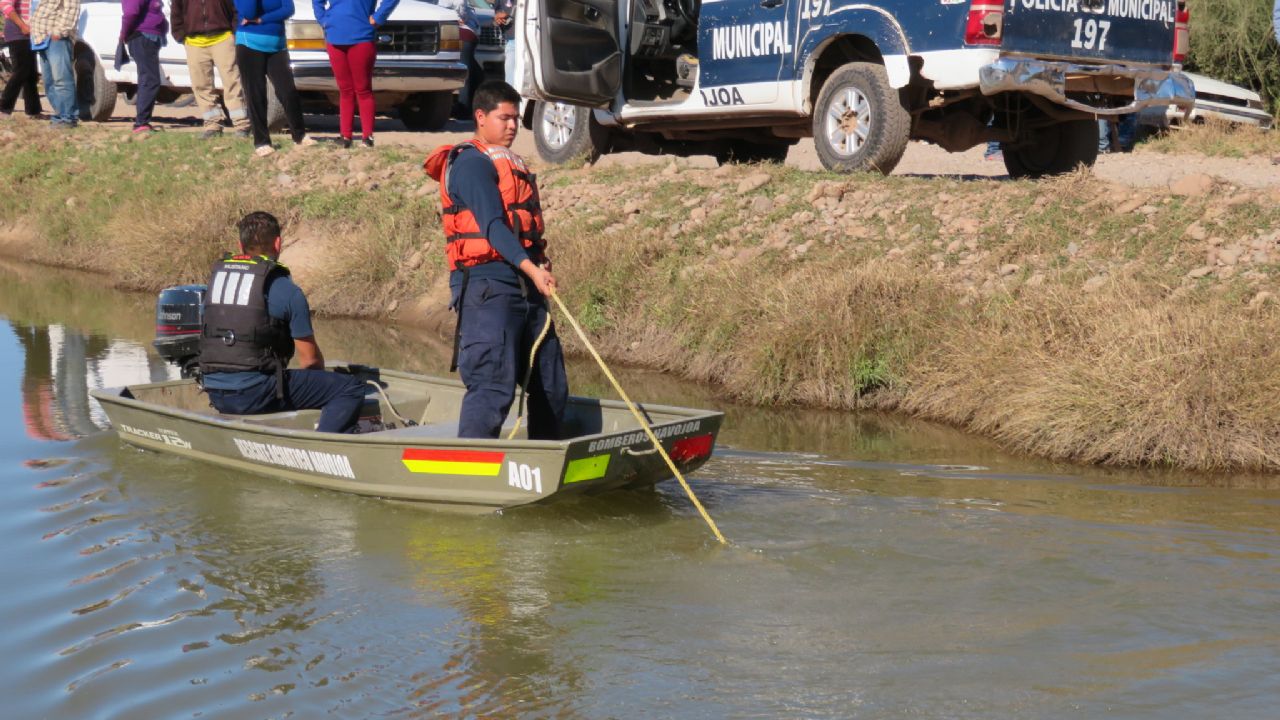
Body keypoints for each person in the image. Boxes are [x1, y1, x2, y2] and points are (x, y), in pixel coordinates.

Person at [423, 80, 567, 439]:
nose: (512, 126)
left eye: (516, 119)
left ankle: (544, 460)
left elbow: (518, 230)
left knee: (550, 382)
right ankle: (469, 472)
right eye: (504, 118)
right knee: (491, 387)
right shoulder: (471, 163)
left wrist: (538, 263)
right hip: (487, 285)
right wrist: (531, 268)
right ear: (480, 117)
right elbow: (491, 225)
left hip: (523, 281)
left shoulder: (509, 162)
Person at [199, 211, 367, 433]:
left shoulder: (216, 285)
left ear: (241, 246)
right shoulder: (287, 291)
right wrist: (319, 383)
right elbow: (309, 361)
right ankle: (321, 447)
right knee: (349, 388)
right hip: (257, 394)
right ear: (278, 243)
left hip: (215, 392)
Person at [233, 0, 315, 156]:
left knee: (288, 91)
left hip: (277, 46)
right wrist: (264, 16)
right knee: (256, 94)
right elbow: (248, 12)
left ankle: (300, 135)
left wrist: (261, 19)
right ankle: (261, 141)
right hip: (249, 44)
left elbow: (288, 9)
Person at [313, 0, 399, 148]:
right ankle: (345, 137)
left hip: (362, 37)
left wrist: (378, 17)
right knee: (345, 90)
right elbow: (317, 1)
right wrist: (323, 19)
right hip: (334, 38)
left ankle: (367, 137)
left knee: (363, 89)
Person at [171, 0, 251, 139]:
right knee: (201, 85)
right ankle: (212, 125)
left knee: (232, 82)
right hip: (194, 41)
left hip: (223, 38)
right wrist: (180, 35)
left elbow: (237, 8)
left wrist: (234, 32)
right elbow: (176, 12)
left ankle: (241, 125)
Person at [28, 0, 78, 128]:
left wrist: (59, 32)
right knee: (49, 82)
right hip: (40, 38)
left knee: (62, 80)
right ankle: (60, 116)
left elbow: (72, 8)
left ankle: (68, 118)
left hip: (57, 39)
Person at [120, 0, 168, 134]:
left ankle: (142, 122)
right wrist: (124, 34)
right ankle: (141, 123)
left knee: (147, 79)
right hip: (142, 36)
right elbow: (131, 12)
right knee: (150, 80)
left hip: (148, 37)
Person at [431, 0, 481, 118]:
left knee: (466, 73)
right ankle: (470, 107)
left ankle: (464, 109)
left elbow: (460, 5)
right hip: (461, 31)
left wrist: (459, 16)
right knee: (473, 73)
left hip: (461, 31)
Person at [0, 0, 40, 118]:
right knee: (21, 71)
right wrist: (22, 25)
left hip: (30, 33)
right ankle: (4, 107)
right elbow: (5, 5)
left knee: (31, 73)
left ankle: (33, 110)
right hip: (17, 31)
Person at [494, 0, 514, 87]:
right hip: (510, 39)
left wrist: (509, 16)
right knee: (510, 78)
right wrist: (498, 17)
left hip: (526, 38)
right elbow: (498, 10)